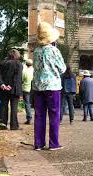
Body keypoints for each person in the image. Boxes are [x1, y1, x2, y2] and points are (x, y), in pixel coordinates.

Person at [32, 22, 66, 151]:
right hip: (52, 85)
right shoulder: (54, 50)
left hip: (37, 86)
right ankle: (54, 143)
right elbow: (62, 68)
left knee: (39, 115)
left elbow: (36, 67)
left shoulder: (36, 51)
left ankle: (39, 144)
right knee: (54, 114)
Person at [0, 49, 23, 130]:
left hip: (3, 89)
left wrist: (2, 84)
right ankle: (14, 126)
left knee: (4, 105)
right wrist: (11, 86)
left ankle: (3, 124)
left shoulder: (2, 63)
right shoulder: (19, 64)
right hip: (14, 88)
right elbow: (18, 78)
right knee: (14, 107)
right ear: (16, 55)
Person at [22, 59, 34, 125]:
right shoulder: (34, 70)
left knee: (27, 104)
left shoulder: (24, 71)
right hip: (34, 89)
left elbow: (22, 79)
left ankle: (29, 118)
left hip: (26, 89)